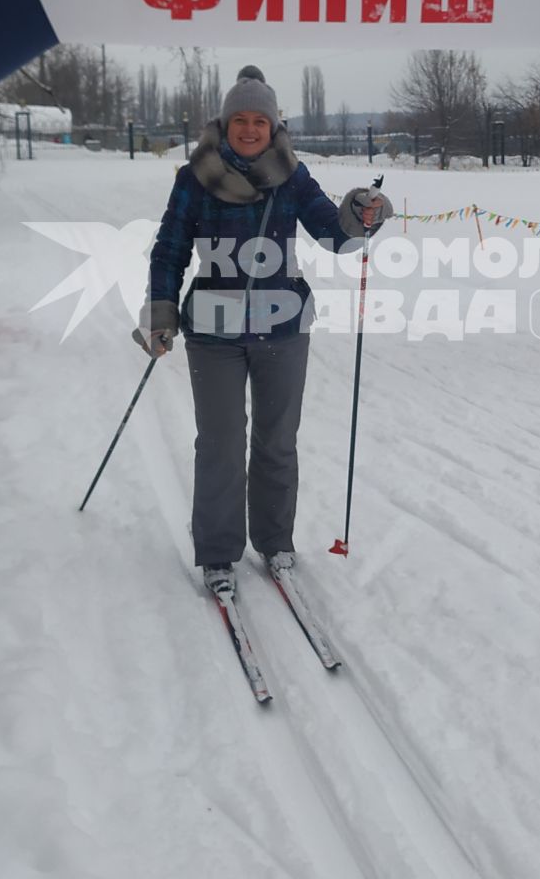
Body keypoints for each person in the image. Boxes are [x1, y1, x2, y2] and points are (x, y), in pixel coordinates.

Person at [137, 66, 392, 596]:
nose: (250, 130)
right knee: (221, 445)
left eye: (261, 121)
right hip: (214, 332)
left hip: (283, 329)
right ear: (224, 125)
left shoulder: (292, 176)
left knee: (277, 442)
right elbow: (170, 250)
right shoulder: (194, 178)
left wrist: (360, 213)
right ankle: (217, 551)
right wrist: (161, 310)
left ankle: (275, 542)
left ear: (275, 127)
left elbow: (333, 234)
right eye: (240, 120)